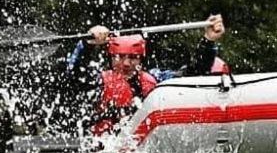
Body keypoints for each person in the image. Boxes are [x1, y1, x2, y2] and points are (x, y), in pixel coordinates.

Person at [66, 14, 226, 134]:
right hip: (105, 151)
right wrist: (87, 45)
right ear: (111, 58)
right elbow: (74, 72)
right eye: (120, 57)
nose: (127, 64)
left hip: (144, 148)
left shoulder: (156, 79)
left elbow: (195, 73)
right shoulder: (98, 81)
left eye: (133, 58)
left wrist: (208, 41)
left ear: (141, 59)